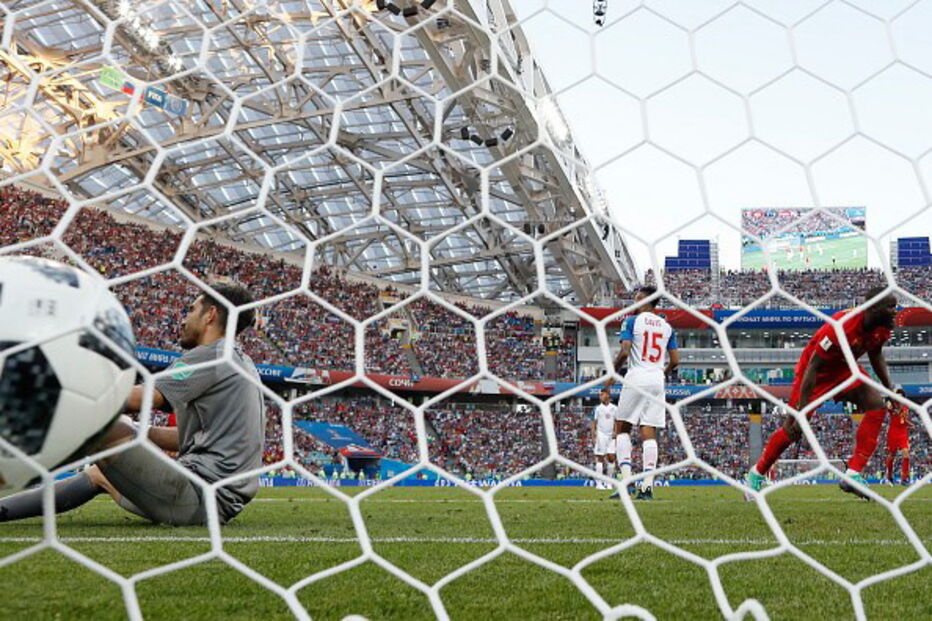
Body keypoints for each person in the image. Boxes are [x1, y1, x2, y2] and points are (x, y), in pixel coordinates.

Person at [0, 282, 265, 526]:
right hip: (211, 499)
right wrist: (136, 431)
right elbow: (187, 439)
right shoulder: (240, 362)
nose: (184, 319)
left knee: (95, 425)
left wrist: (54, 392)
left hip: (201, 495)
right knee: (98, 474)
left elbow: (138, 399)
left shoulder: (212, 357)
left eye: (192, 310)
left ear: (211, 315)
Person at [745, 286, 898, 500]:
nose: (895, 311)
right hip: (815, 375)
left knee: (876, 405)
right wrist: (801, 410)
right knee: (792, 430)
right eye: (891, 307)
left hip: (845, 370)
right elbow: (813, 368)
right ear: (873, 308)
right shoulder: (840, 326)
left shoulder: (882, 328)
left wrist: (889, 388)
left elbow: (876, 354)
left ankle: (853, 474)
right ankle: (756, 475)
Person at [607, 286, 679, 500]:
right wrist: (662, 373)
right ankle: (647, 487)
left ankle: (627, 483)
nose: (634, 302)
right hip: (657, 380)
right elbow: (675, 361)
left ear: (647, 302)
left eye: (638, 298)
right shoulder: (667, 327)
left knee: (622, 428)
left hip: (637, 376)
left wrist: (611, 374)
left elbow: (625, 350)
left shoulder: (631, 321)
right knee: (649, 432)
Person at [883, 387, 912, 486]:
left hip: (903, 432)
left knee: (906, 454)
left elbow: (902, 419)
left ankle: (904, 479)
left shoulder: (906, 407)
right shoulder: (892, 405)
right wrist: (889, 402)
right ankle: (889, 477)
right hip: (893, 432)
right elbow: (888, 405)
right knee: (892, 455)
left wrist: (910, 424)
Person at [591, 389, 617, 489]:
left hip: (611, 436)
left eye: (602, 394)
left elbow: (617, 421)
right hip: (601, 435)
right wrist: (593, 436)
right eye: (600, 395)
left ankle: (609, 483)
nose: (600, 396)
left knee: (611, 458)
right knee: (600, 458)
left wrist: (616, 431)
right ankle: (599, 483)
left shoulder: (614, 408)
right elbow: (593, 423)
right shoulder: (597, 409)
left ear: (608, 395)